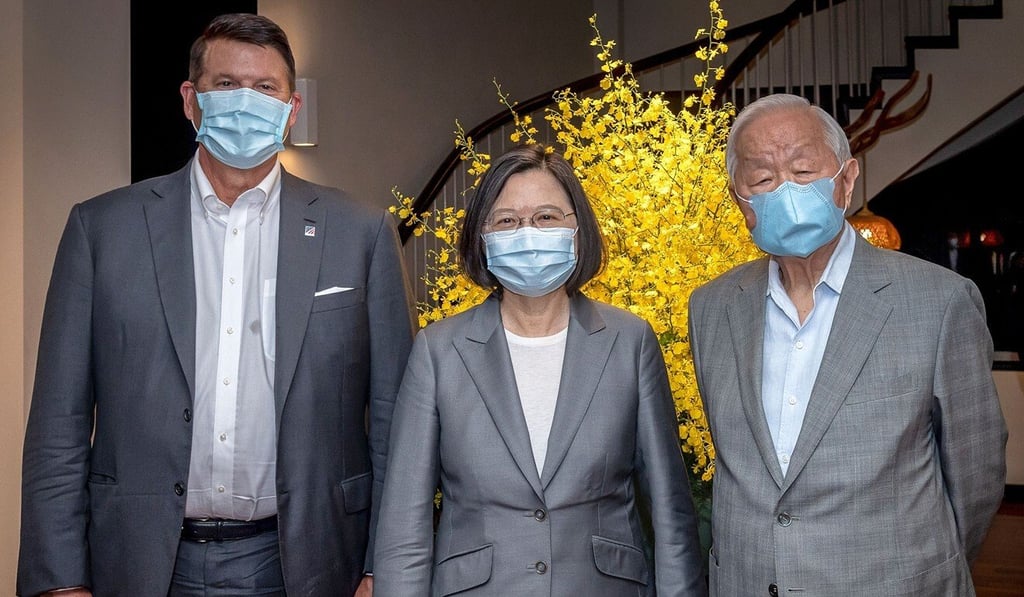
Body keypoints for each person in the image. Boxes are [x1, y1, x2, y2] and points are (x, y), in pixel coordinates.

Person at [17, 13, 415, 597]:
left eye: (265, 88)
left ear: (291, 108)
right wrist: (58, 581)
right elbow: (59, 423)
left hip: (313, 561)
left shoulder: (361, 233)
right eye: (226, 85)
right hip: (140, 559)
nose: (246, 102)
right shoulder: (101, 229)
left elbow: (394, 424)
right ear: (190, 100)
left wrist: (388, 567)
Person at [687, 93, 1008, 596]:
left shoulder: (938, 302)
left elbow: (976, 474)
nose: (786, 190)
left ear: (846, 180)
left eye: (803, 170)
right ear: (741, 203)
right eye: (764, 179)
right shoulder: (712, 307)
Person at [373, 143, 707, 596]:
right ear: (482, 236)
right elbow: (404, 529)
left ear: (578, 229)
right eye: (507, 220)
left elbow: (670, 513)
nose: (527, 232)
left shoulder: (629, 342)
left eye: (547, 217)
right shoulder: (439, 351)